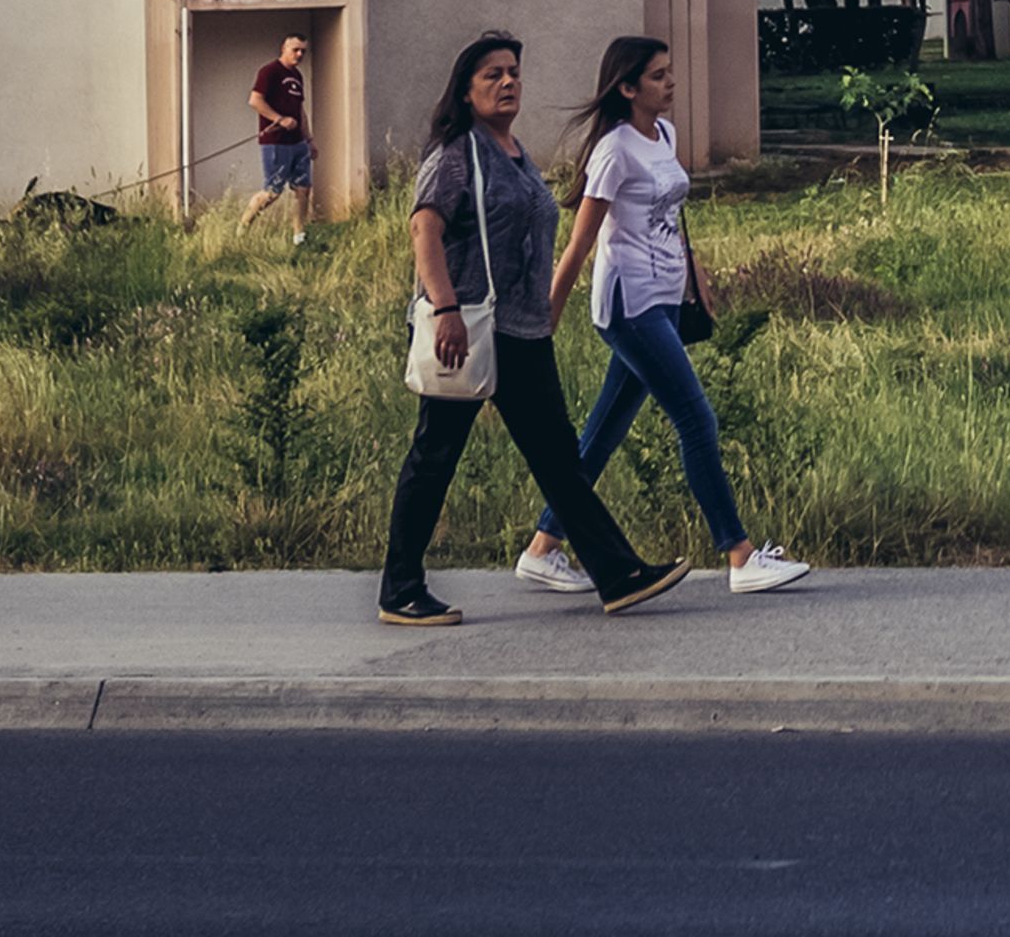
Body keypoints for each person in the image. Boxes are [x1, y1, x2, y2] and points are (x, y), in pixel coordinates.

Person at [377, 32, 686, 627]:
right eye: (492, 75)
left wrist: (546, 308)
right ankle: (401, 590)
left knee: (558, 460)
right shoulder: (457, 153)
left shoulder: (516, 152)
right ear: (466, 92)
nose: (508, 82)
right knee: (435, 456)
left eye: (513, 72)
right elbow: (425, 231)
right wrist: (444, 309)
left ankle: (617, 573)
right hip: (466, 330)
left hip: (522, 332)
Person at [517, 37, 810, 600]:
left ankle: (544, 546)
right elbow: (579, 245)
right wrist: (542, 323)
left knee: (603, 431)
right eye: (657, 76)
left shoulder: (665, 135)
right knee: (696, 420)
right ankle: (740, 555)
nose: (670, 83)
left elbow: (670, 213)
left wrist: (694, 271)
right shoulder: (614, 151)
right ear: (627, 88)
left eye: (669, 73)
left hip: (666, 298)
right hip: (629, 305)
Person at [245, 35, 317, 224]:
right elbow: (255, 100)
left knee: (303, 188)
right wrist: (279, 119)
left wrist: (309, 140)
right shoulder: (269, 72)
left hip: (298, 143)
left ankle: (299, 235)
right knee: (273, 191)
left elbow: (300, 111)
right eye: (295, 49)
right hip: (276, 142)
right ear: (283, 49)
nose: (300, 54)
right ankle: (244, 225)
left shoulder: (297, 75)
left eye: (303, 51)